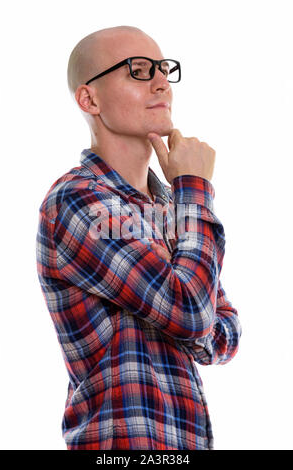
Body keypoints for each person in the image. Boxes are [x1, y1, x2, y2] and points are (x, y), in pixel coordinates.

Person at [36, 25, 242, 450]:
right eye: (138, 70)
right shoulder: (77, 201)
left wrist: (191, 312)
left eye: (164, 69)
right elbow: (192, 312)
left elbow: (225, 334)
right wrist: (195, 189)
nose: (162, 82)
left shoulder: (172, 206)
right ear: (89, 99)